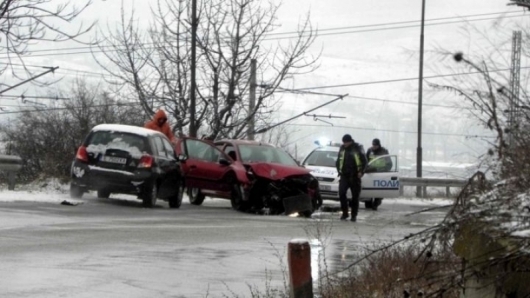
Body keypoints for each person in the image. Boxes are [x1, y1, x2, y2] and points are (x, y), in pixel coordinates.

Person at [336, 134, 367, 222]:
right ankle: (345, 213)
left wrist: (361, 172)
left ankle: (354, 215)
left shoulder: (357, 148)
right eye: (344, 142)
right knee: (341, 194)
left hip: (355, 176)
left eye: (346, 142)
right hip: (344, 176)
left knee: (355, 197)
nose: (345, 144)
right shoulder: (342, 148)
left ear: (350, 141)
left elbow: (364, 161)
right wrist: (339, 170)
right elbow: (339, 160)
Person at [365, 138, 391, 210]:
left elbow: (389, 164)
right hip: (370, 174)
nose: (374, 146)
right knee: (369, 190)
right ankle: (368, 203)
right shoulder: (369, 151)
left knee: (378, 191)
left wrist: (381, 170)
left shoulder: (384, 152)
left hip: (380, 174)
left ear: (379, 145)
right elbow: (365, 161)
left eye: (375, 145)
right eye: (373, 145)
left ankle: (376, 203)